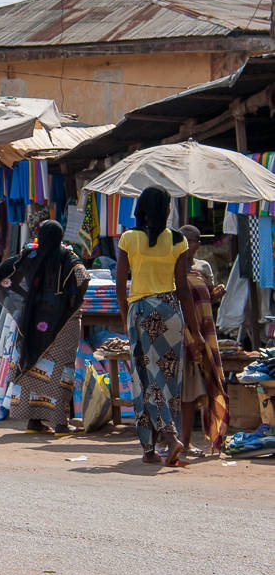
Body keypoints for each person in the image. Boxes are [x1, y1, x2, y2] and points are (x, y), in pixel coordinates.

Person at [116, 186, 201, 467]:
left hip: (141, 311)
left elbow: (120, 285)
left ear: (140, 208)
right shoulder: (178, 240)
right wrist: (195, 331)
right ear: (166, 210)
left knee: (144, 379)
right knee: (167, 379)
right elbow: (184, 289)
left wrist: (126, 317)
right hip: (170, 312)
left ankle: (164, 441)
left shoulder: (129, 238)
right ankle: (158, 445)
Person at [0, 220, 90, 435]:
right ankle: (60, 423)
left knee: (32, 365)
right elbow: (83, 278)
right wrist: (72, 300)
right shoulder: (68, 257)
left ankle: (33, 421)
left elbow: (2, 271)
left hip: (33, 321)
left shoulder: (30, 256)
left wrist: (19, 302)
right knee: (60, 369)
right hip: (63, 322)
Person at [178, 225, 229, 457]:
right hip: (183, 335)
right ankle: (181, 440)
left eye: (196, 240)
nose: (192, 244)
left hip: (205, 333)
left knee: (208, 383)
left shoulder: (203, 267)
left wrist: (215, 294)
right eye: (187, 240)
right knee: (186, 389)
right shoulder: (173, 268)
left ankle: (212, 436)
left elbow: (207, 295)